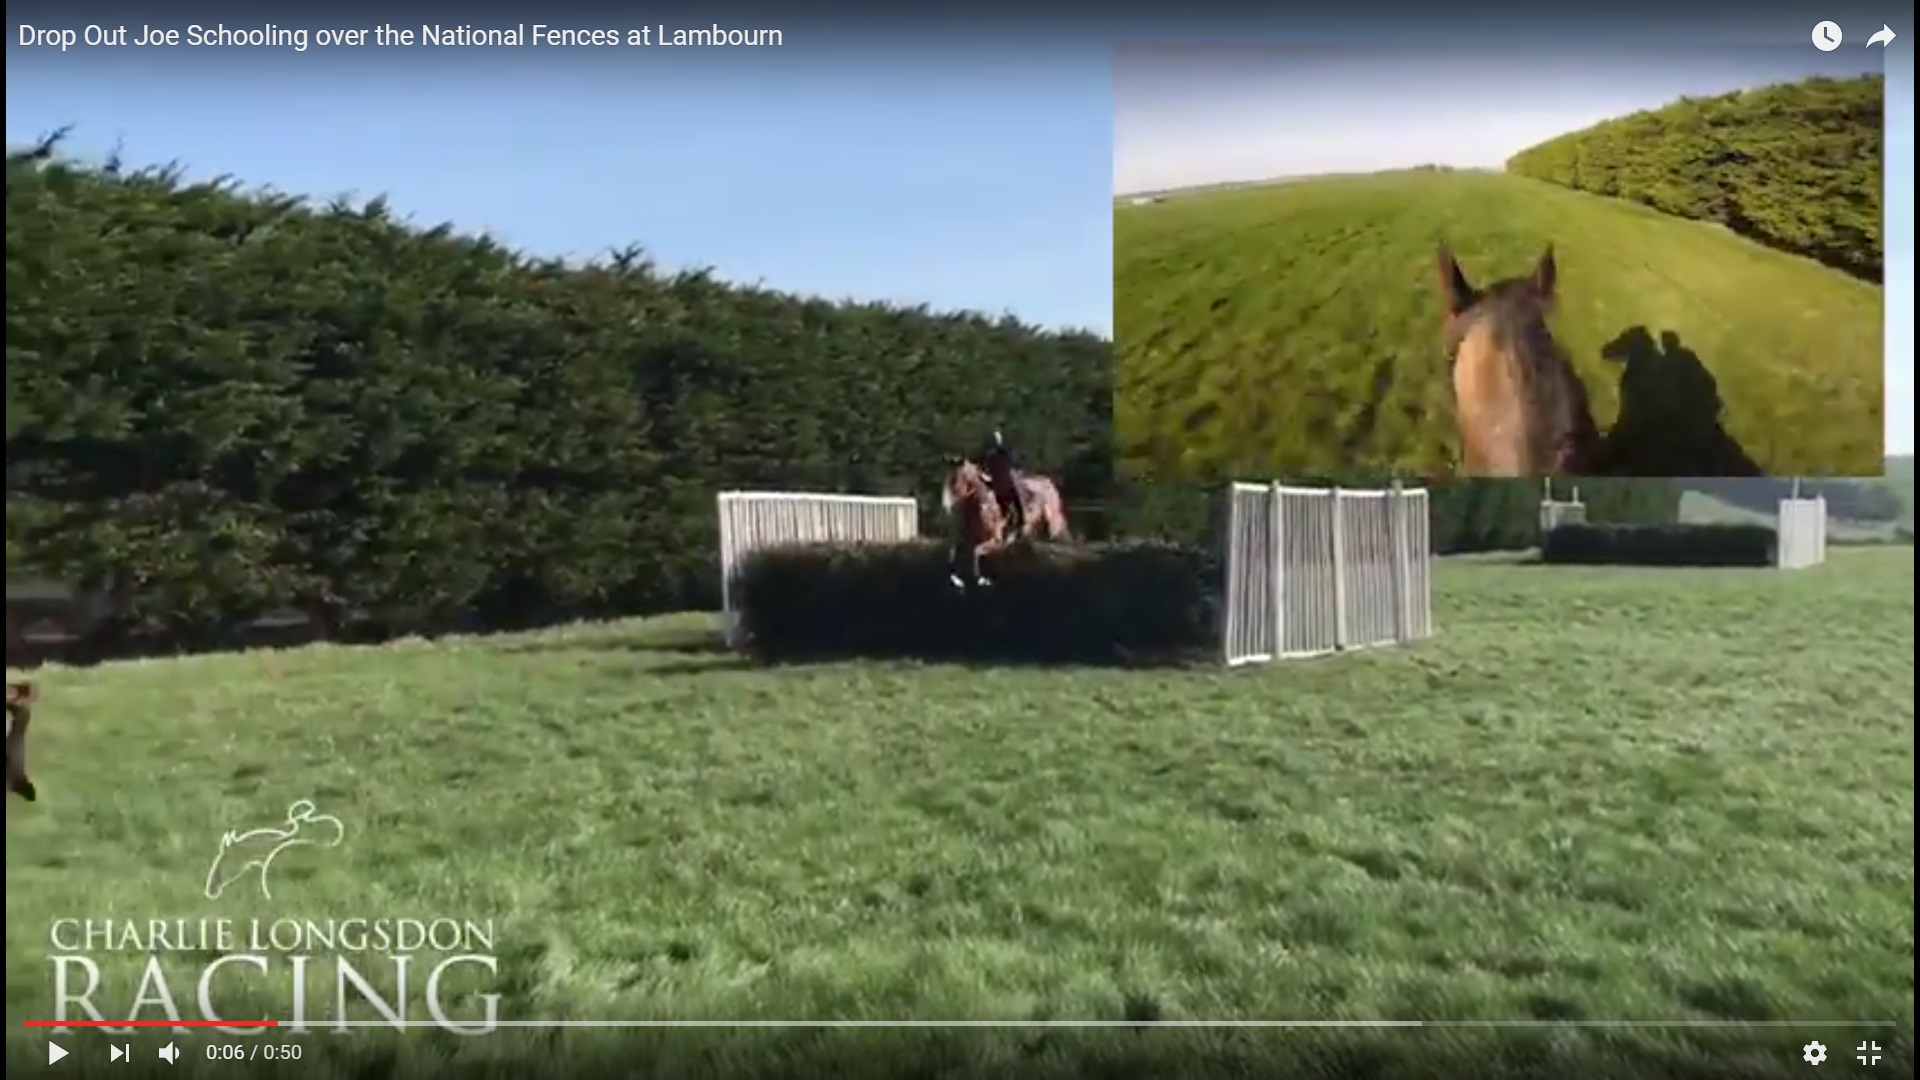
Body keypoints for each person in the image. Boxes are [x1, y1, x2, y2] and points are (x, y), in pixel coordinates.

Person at [977, 430, 1025, 540]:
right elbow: (1011, 468)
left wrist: (984, 477)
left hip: (993, 485)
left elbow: (983, 471)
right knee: (1016, 500)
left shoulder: (986, 456)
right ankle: (1020, 522)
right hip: (1004, 487)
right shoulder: (1004, 455)